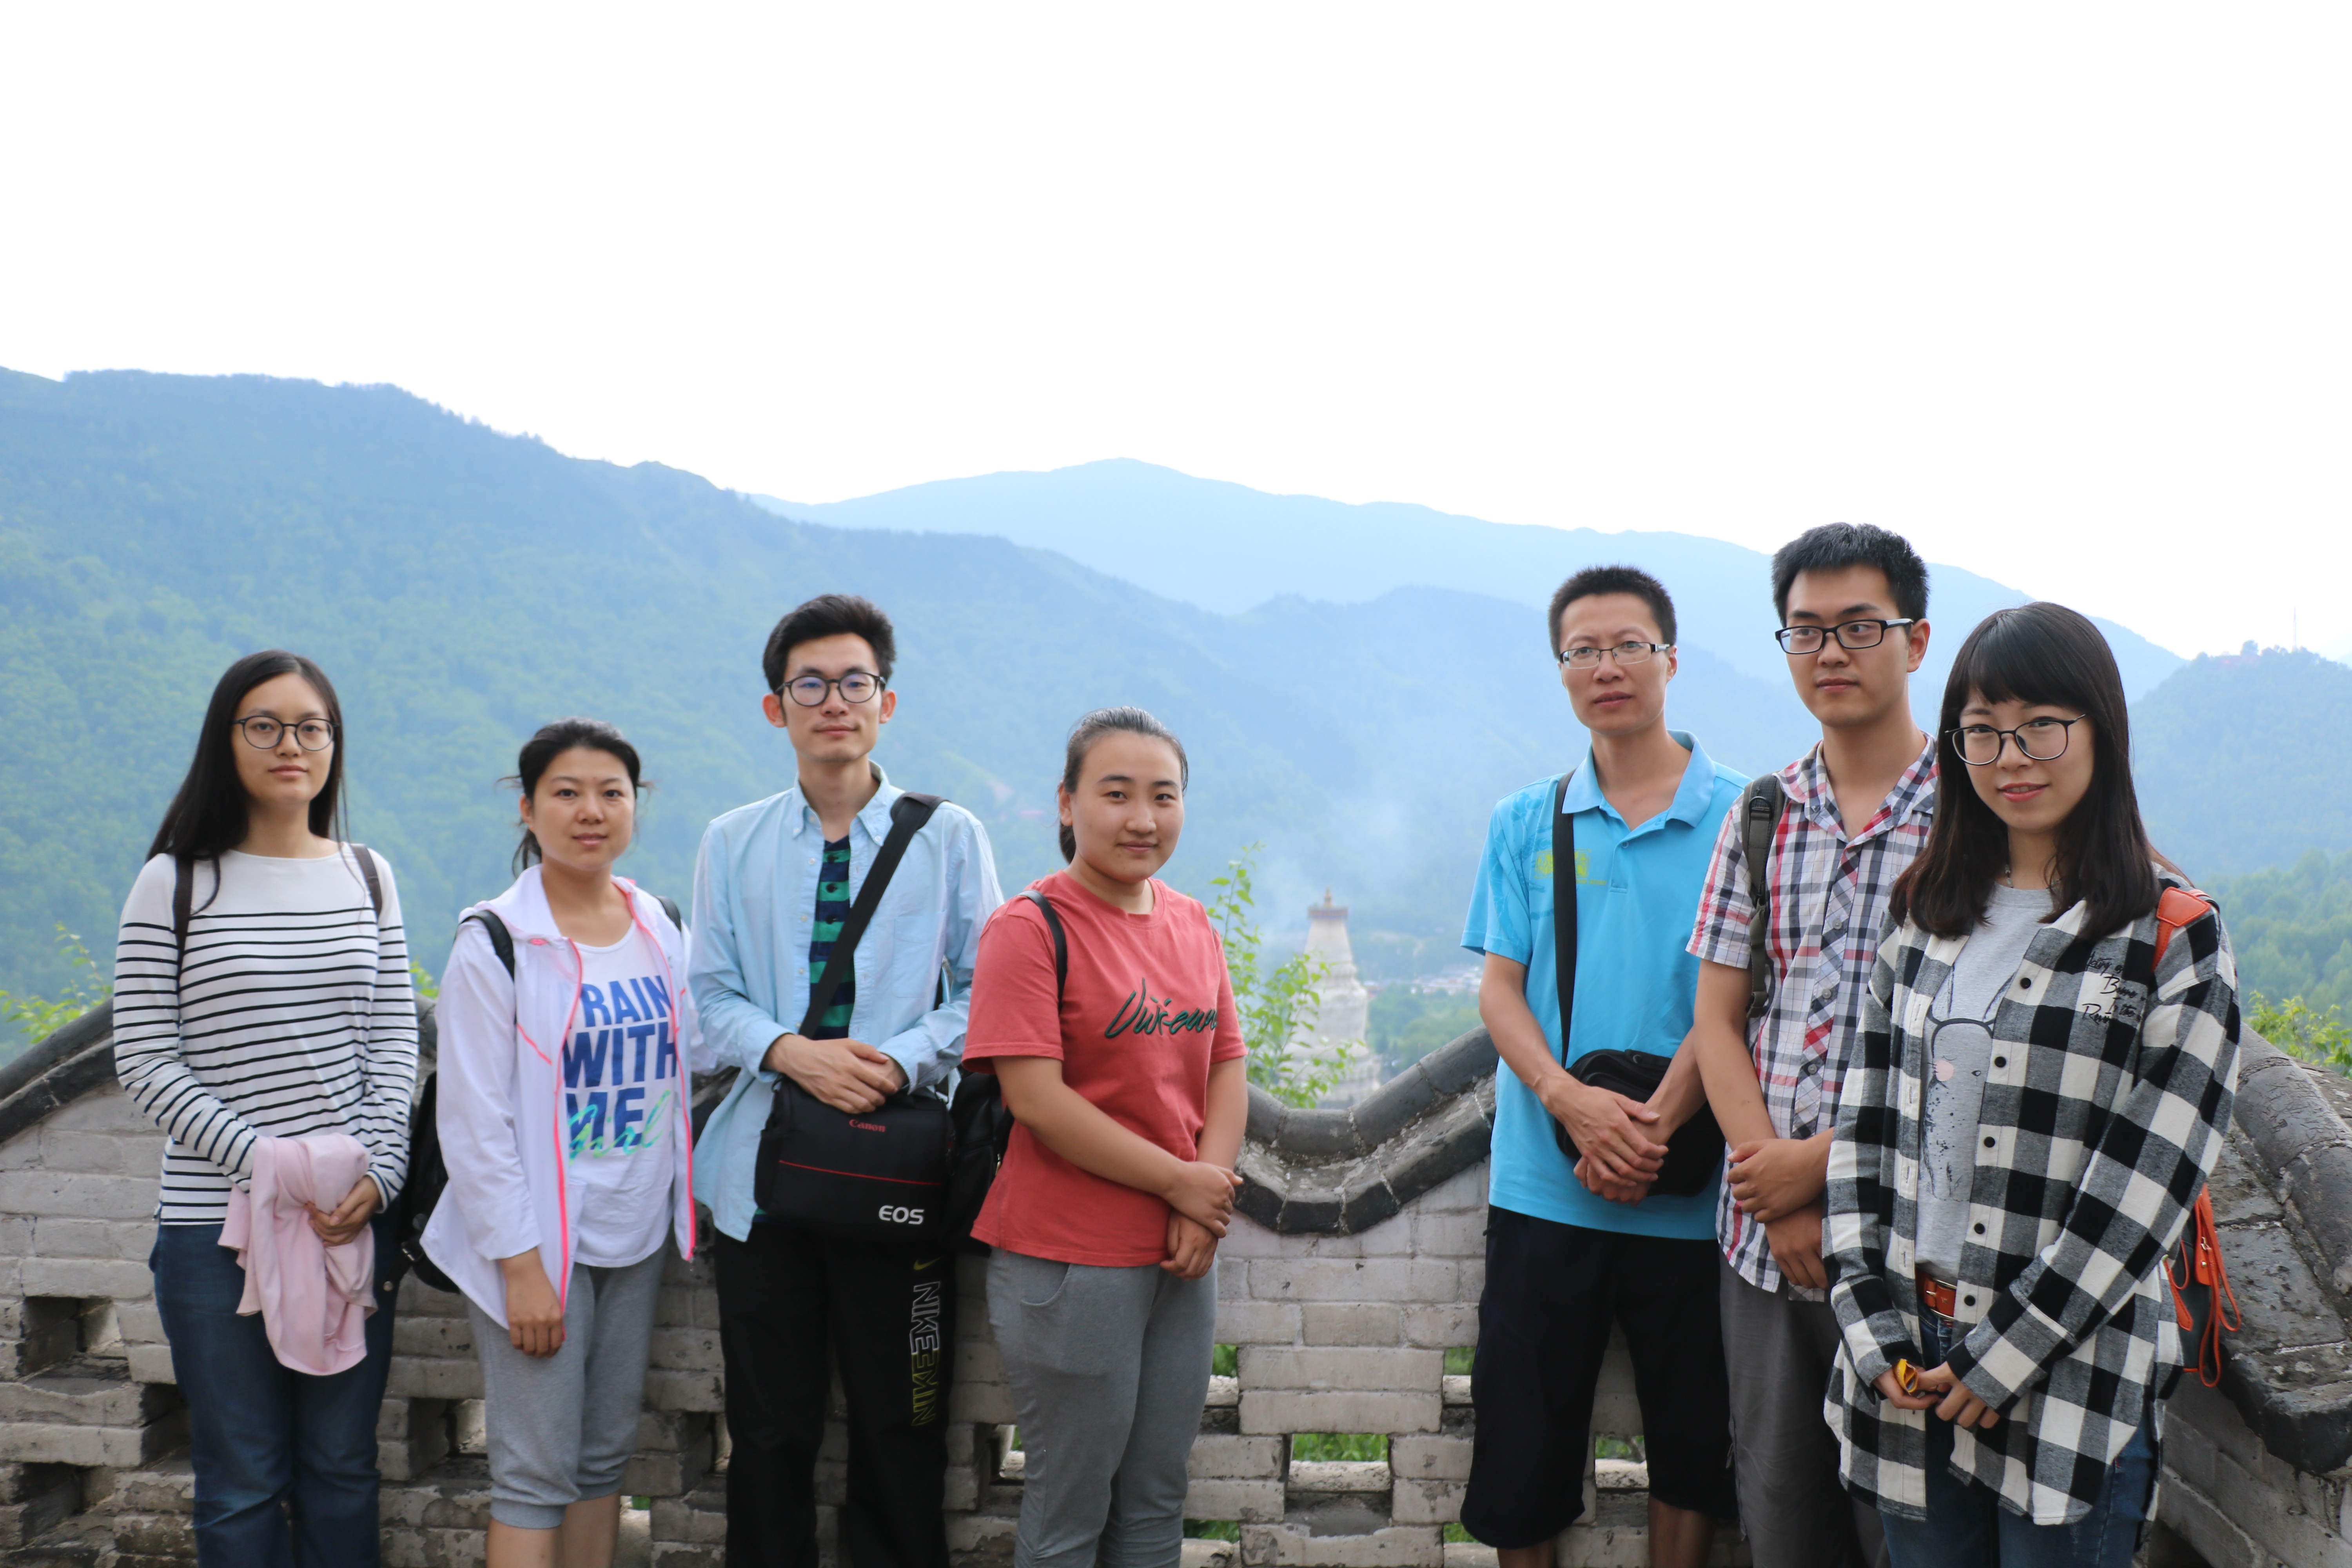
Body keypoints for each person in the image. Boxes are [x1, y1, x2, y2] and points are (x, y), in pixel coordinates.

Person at [1823, 604, 2239, 1566]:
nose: (2012, 756)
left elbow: (2147, 1189)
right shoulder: (1924, 916)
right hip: (1910, 1354)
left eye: (2042, 724)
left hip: (2070, 1369)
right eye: (1983, 730)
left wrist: (2003, 1353)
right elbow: (1861, 1137)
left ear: (2101, 728)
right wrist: (1870, 1327)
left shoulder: (2170, 936)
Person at [690, 593, 1004, 1568]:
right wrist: (793, 1051)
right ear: (776, 707)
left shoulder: (949, 835)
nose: (835, 701)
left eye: (855, 681)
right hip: (762, 1178)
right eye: (811, 684)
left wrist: (899, 1058)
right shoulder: (732, 840)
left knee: (903, 1419)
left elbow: (990, 994)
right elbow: (707, 996)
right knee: (768, 1429)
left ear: (887, 702)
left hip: (897, 1174)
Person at [1457, 567, 1746, 1568]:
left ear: (1671, 659)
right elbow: (1501, 990)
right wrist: (1571, 1102)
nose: (1606, 667)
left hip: (1691, 1191)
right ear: (1562, 671)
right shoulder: (1525, 819)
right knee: (1521, 1444)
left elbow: (1742, 999)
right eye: (1583, 650)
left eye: (1628, 645)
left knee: (1693, 1442)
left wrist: (1650, 1125)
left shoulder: (1747, 817)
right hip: (1546, 1184)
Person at [113, 650, 417, 1568]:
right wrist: (273, 1164)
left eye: (310, 727)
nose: (291, 744)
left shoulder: (367, 874)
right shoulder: (175, 881)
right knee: (241, 1476)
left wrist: (381, 1173)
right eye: (266, 725)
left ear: (333, 745)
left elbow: (393, 1044)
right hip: (214, 1229)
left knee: (342, 1466)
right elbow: (144, 1058)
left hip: (348, 1220)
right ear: (227, 739)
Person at [1686, 523, 1938, 1568]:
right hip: (1765, 1250)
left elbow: (1979, 1056)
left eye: (1859, 626)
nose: (1830, 651)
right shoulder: (1763, 812)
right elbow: (1717, 1019)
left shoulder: (1977, 815)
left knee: (1916, 1526)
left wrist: (1819, 1171)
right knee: (1782, 1515)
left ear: (1915, 641)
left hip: (1918, 1247)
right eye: (1806, 629)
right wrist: (1775, 1190)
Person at [964, 706, 1249, 1568]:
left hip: (1180, 1255)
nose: (1142, 818)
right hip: (1070, 1261)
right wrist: (1181, 1183)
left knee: (1158, 1498)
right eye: (1116, 793)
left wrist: (1203, 1197)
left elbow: (1226, 1067)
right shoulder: (1029, 927)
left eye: (1164, 795)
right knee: (1071, 1507)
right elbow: (1037, 1100)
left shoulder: (1192, 922)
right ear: (1066, 803)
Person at [424, 719, 703, 1568]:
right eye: (567, 793)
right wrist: (520, 1266)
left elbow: (693, 1056)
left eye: (612, 793)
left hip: (635, 1228)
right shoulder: (497, 941)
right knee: (533, 1473)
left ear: (635, 805)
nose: (592, 811)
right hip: (540, 1242)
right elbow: (473, 1121)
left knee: (602, 1459)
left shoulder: (658, 924)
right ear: (528, 808)